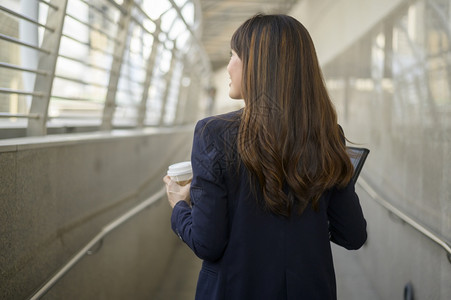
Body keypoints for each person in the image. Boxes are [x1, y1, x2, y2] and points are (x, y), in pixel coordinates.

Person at [163, 14, 367, 300]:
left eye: (234, 55)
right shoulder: (328, 135)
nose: (229, 67)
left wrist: (179, 206)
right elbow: (353, 234)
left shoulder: (213, 134)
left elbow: (206, 243)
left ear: (259, 66)